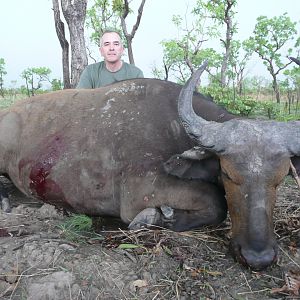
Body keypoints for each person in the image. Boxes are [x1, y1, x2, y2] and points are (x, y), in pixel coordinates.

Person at [76, 30, 144, 88]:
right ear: (101, 51)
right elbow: (79, 99)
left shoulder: (136, 74)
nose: (111, 48)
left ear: (122, 50)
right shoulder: (90, 72)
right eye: (107, 44)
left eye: (116, 44)